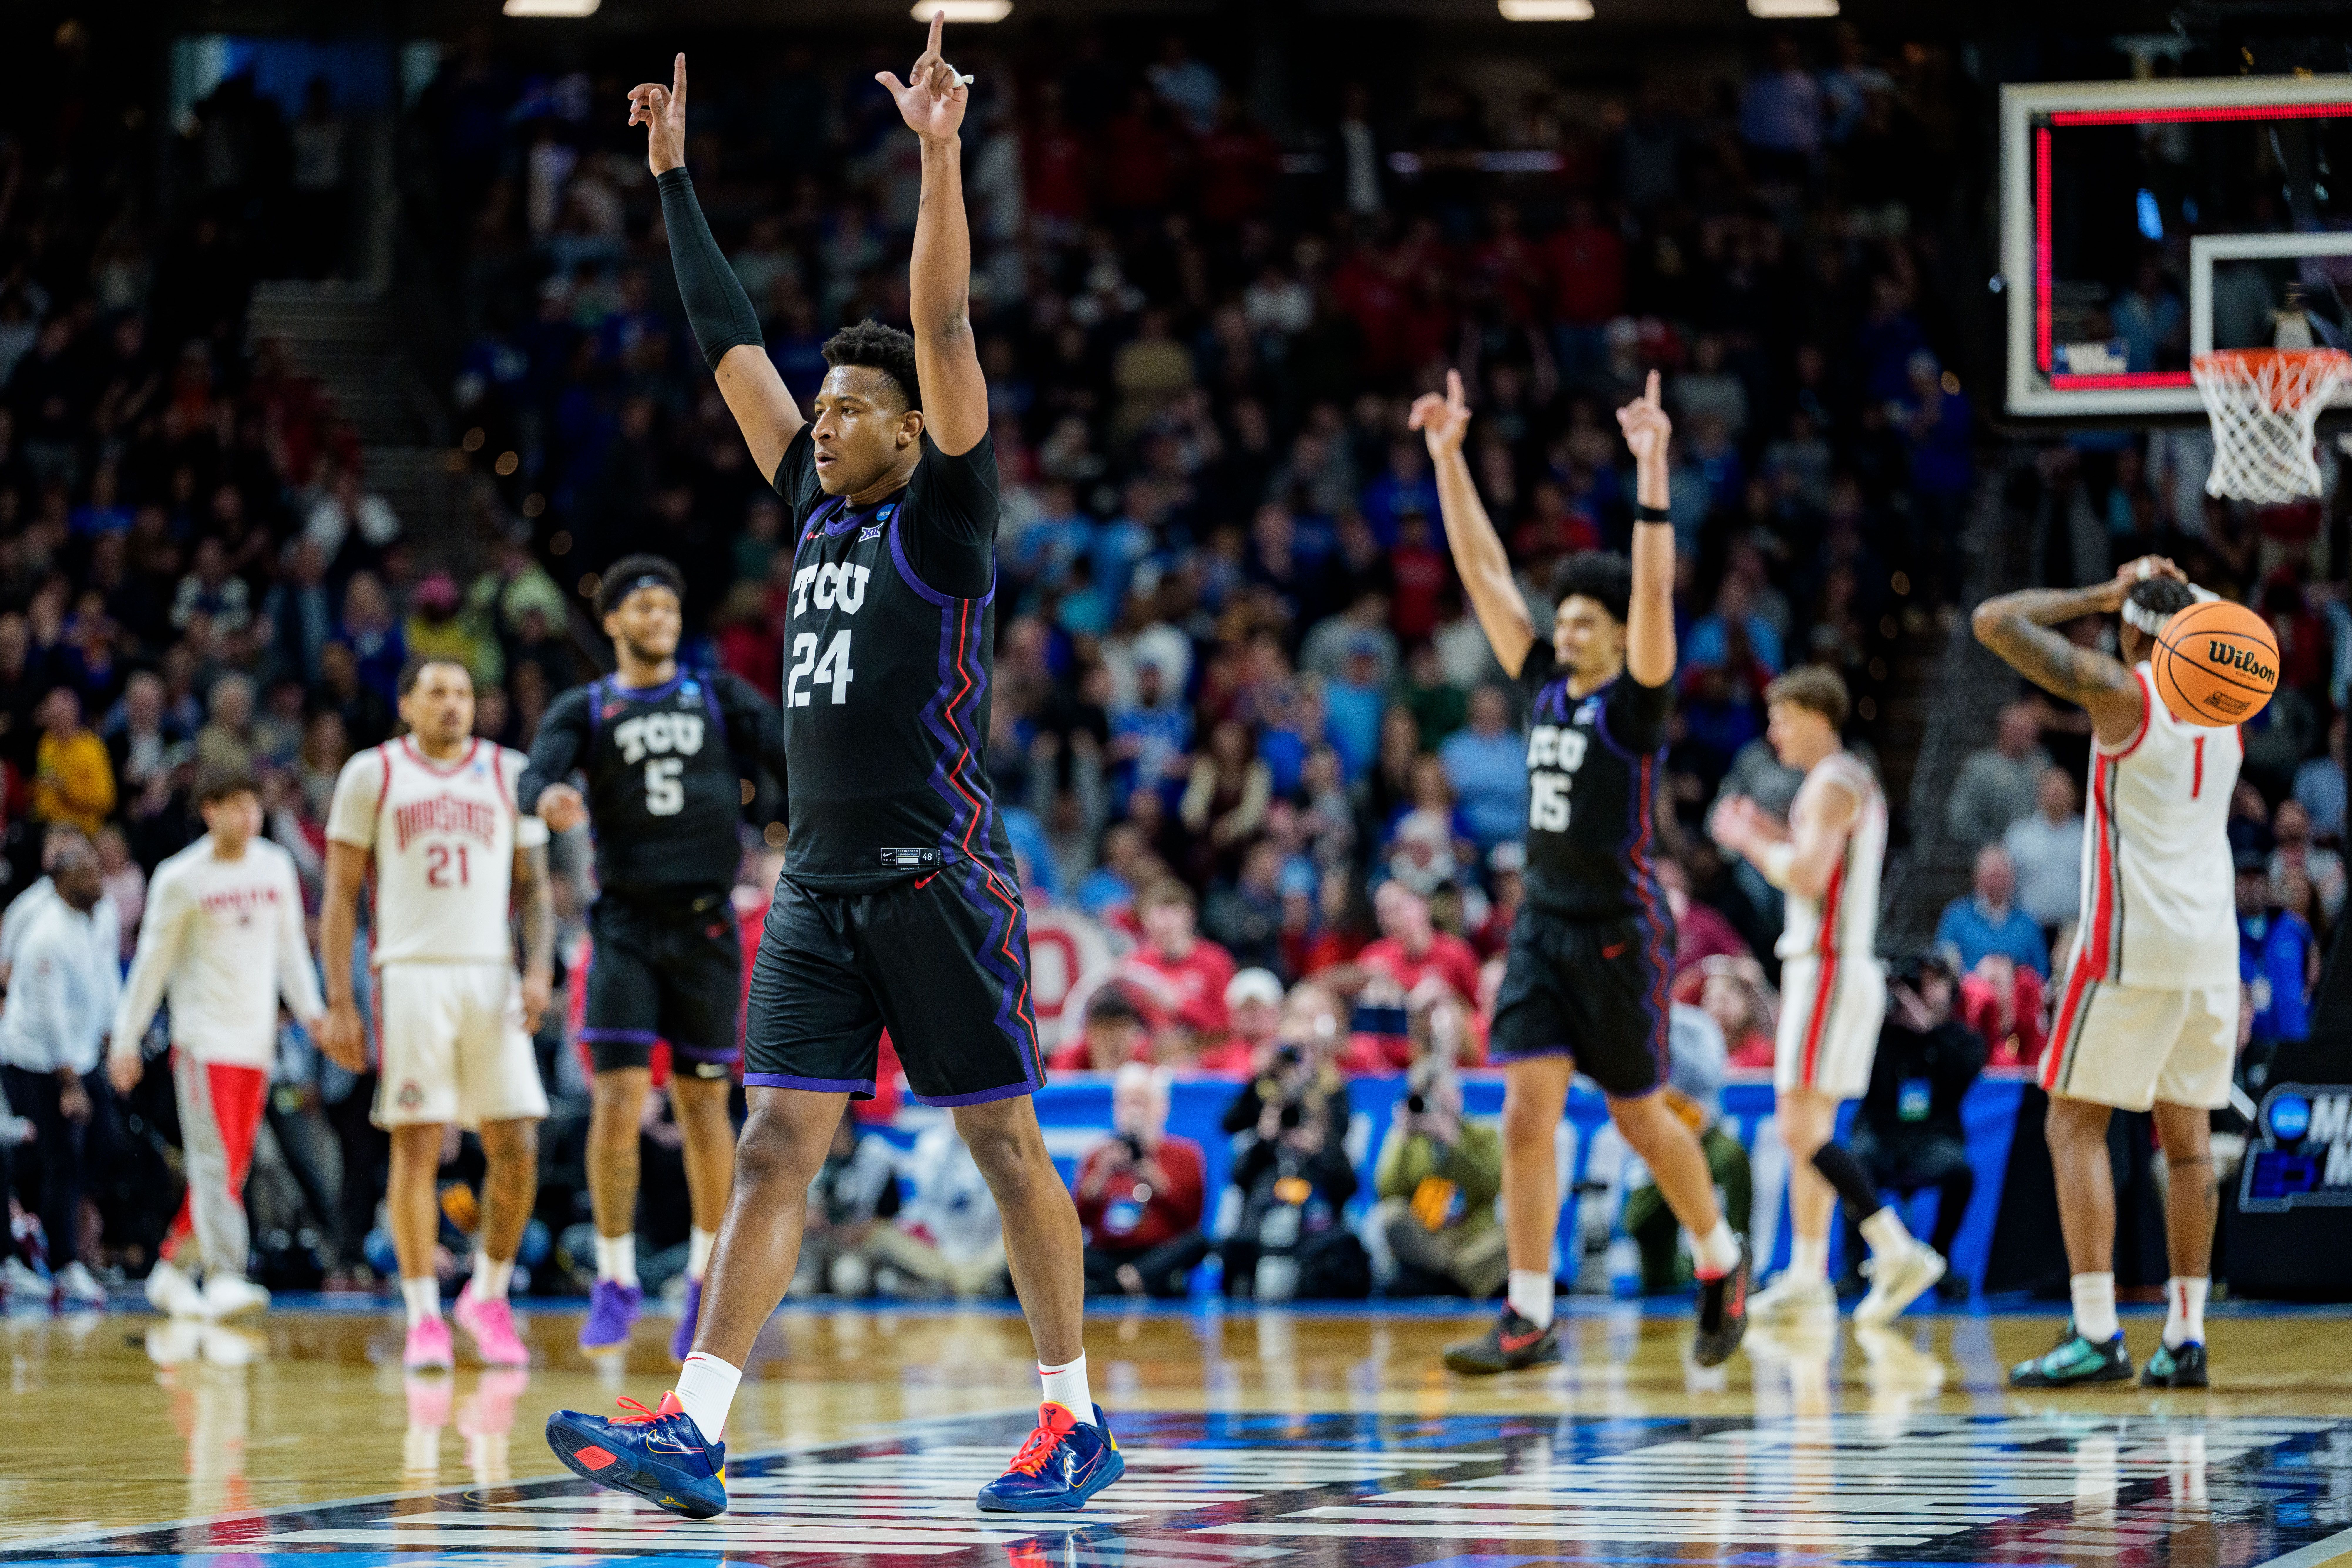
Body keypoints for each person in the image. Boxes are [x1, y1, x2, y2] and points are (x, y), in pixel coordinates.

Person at [547, 30, 1123, 1519]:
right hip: (813, 880)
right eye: (825, 403)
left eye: (851, 404)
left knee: (1001, 1138)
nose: (824, 414)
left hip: (937, 873)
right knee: (771, 1143)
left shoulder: (946, 515)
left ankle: (1068, 1413)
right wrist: (672, 178)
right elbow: (726, 340)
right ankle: (695, 1419)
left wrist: (936, 154)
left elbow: (939, 315)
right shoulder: (810, 498)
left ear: (914, 427)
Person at [1410, 366, 1749, 1376]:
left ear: (1613, 638)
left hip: (1616, 928)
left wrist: (1649, 472)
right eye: (1558, 618)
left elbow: (1651, 588)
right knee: (1521, 1110)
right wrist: (1447, 459)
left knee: (1641, 1116)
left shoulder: (1631, 701)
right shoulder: (1543, 686)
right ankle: (1528, 1311)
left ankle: (1716, 1256)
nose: (1561, 629)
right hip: (1541, 926)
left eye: (1579, 622)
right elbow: (1480, 572)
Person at [1973, 557, 2237, 1389]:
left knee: (2071, 1122)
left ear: (2130, 633)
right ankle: (2187, 1333)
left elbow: (1994, 620)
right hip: (2210, 952)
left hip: (2130, 943)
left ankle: (2096, 1329)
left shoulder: (2127, 695)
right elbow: (2229, 627)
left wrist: (2099, 593)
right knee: (2189, 1146)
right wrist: (2185, 593)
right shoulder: (2230, 710)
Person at [518, 553, 788, 1358]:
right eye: (641, 605)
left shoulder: (716, 694)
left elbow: (789, 748)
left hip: (707, 928)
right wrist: (546, 796)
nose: (658, 616)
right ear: (613, 622)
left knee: (708, 1108)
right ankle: (613, 1272)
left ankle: (706, 1278)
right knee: (616, 1103)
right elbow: (534, 772)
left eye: (668, 605)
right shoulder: (588, 705)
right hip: (627, 928)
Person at [318, 658, 555, 1372]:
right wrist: (339, 1000)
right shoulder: (372, 772)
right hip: (412, 972)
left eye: (463, 691)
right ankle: (422, 1313)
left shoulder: (510, 770)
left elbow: (537, 890)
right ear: (408, 701)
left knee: (518, 1141)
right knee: (417, 1143)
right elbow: (338, 896)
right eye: (438, 692)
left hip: (492, 973)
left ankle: (486, 1294)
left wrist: (539, 967)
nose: (454, 704)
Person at [1711, 666, 1944, 1326]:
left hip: (1829, 967)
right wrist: (1771, 830)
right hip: (1830, 967)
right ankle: (1809, 1274)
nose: (1771, 732)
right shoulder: (1842, 781)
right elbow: (1820, 862)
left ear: (1814, 713)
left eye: (1779, 717)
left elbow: (1808, 875)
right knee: (1806, 1128)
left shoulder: (1833, 780)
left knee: (1797, 1127)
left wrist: (1751, 839)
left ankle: (1895, 1247)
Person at [110, 767, 325, 1320]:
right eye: (236, 805)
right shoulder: (181, 877)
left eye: (255, 805)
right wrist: (127, 1038)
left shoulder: (275, 866)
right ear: (210, 810)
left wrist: (313, 1014)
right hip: (204, 1042)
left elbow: (291, 952)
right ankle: (226, 1272)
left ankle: (171, 1269)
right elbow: (152, 963)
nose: (249, 816)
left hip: (257, 1046)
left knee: (228, 1167)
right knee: (214, 1163)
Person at [0, 840, 118, 1307]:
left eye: (96, 871)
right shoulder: (45, 933)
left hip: (85, 1051)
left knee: (106, 1145)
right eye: (84, 876)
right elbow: (48, 1015)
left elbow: (105, 978)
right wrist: (70, 1084)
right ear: (58, 884)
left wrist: (114, 1037)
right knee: (59, 1158)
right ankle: (61, 1261)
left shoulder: (103, 915)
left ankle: (39, 1244)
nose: (96, 882)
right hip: (36, 1058)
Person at [1847, 954, 1984, 1300]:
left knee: (1960, 1172)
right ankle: (1851, 1270)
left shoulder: (1955, 1036)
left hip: (1932, 1140)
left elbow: (1965, 1070)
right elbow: (1857, 1076)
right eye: (1917, 983)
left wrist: (1928, 1030)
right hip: (1882, 1137)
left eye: (1933, 981)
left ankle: (1939, 1261)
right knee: (1854, 1165)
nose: (1923, 991)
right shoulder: (1879, 1034)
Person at [1372, 1055, 1506, 1298]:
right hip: (1430, 1238)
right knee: (1389, 1216)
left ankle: (1446, 1281)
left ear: (1457, 1095)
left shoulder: (1483, 1133)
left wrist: (1453, 1144)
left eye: (1442, 1095)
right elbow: (1386, 1191)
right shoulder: (1410, 1141)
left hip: (1475, 1239)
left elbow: (1494, 1183)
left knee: (1512, 1234)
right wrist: (1401, 1137)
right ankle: (1463, 1281)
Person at [1075, 1063, 1208, 1297]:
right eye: (1125, 1102)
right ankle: (1128, 1282)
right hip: (1108, 1252)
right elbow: (1078, 1221)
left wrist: (1152, 1176)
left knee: (1198, 1244)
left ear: (1162, 1108)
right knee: (1066, 1250)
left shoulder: (1186, 1154)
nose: (1132, 1110)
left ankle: (1115, 1285)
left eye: (1141, 1101)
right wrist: (1101, 1177)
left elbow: (1191, 1219)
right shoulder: (1099, 1155)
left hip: (1156, 1252)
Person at [1944, 703, 2052, 850]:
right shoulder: (1982, 767)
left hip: (2041, 852)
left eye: (2033, 730)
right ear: (2006, 730)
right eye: (2024, 730)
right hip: (2000, 855)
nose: (2032, 735)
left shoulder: (2041, 763)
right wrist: (1993, 843)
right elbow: (1960, 819)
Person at [1932, 845, 2049, 977]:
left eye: (2001, 876)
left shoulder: (2029, 923)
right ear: (1976, 878)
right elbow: (1943, 967)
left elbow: (2042, 974)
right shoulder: (1956, 917)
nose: (1996, 884)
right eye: (1990, 877)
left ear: (2012, 879)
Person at [2002, 767, 2084, 934]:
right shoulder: (2019, 835)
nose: (2056, 799)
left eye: (2061, 794)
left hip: (2075, 928)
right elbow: (2006, 883)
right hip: (2028, 928)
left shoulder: (2088, 836)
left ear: (2073, 797)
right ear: (2039, 796)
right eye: (2051, 793)